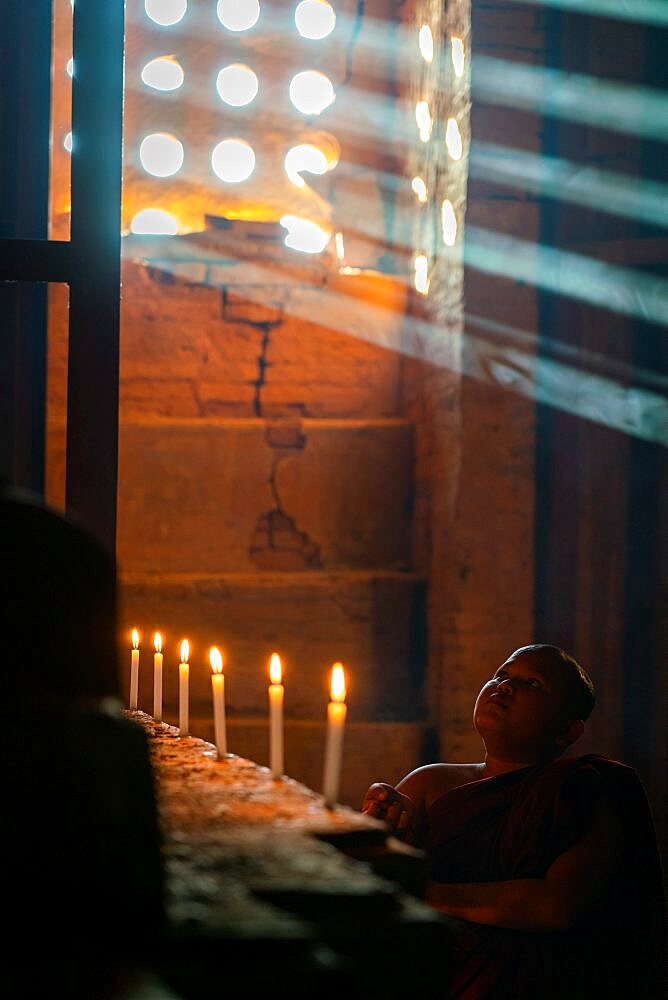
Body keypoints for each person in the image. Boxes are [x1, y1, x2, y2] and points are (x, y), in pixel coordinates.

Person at [362, 644, 666, 999]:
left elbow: (554, 906)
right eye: (501, 675)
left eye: (532, 683)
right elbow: (373, 876)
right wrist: (380, 829)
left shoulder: (586, 790)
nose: (504, 686)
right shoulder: (429, 784)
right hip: (430, 973)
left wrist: (421, 892)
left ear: (568, 731)